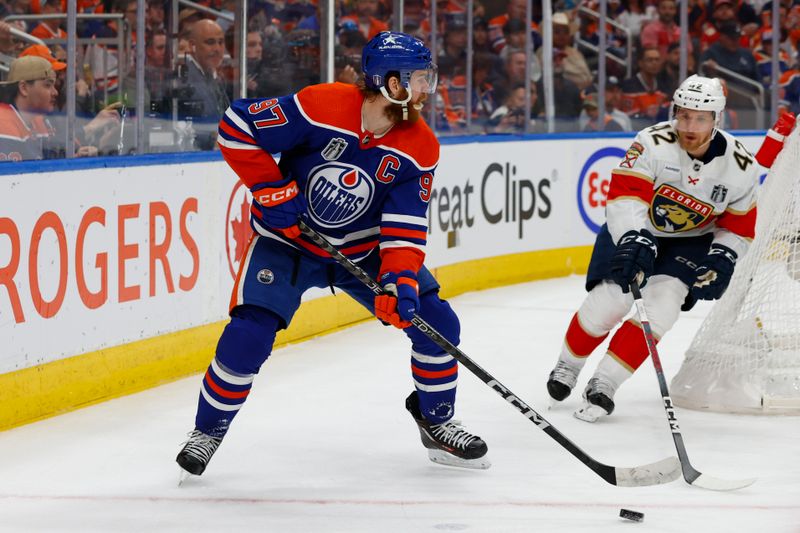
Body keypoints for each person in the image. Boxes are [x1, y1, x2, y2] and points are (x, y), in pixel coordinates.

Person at [175, 31, 490, 478]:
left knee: (437, 323)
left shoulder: (420, 146)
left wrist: (399, 282)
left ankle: (436, 420)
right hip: (286, 243)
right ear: (391, 82)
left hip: (363, 254)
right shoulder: (320, 105)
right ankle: (207, 431)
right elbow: (237, 125)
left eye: (428, 78)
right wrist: (269, 186)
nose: (427, 90)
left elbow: (403, 228)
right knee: (249, 334)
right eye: (419, 79)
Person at [545, 75, 762, 422]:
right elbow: (625, 196)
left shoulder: (740, 167)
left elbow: (738, 227)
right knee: (611, 300)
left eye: (700, 118)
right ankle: (568, 365)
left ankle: (606, 383)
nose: (689, 125)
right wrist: (634, 235)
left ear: (716, 120)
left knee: (663, 308)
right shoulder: (652, 142)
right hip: (638, 227)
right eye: (684, 114)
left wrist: (724, 255)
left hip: (691, 243)